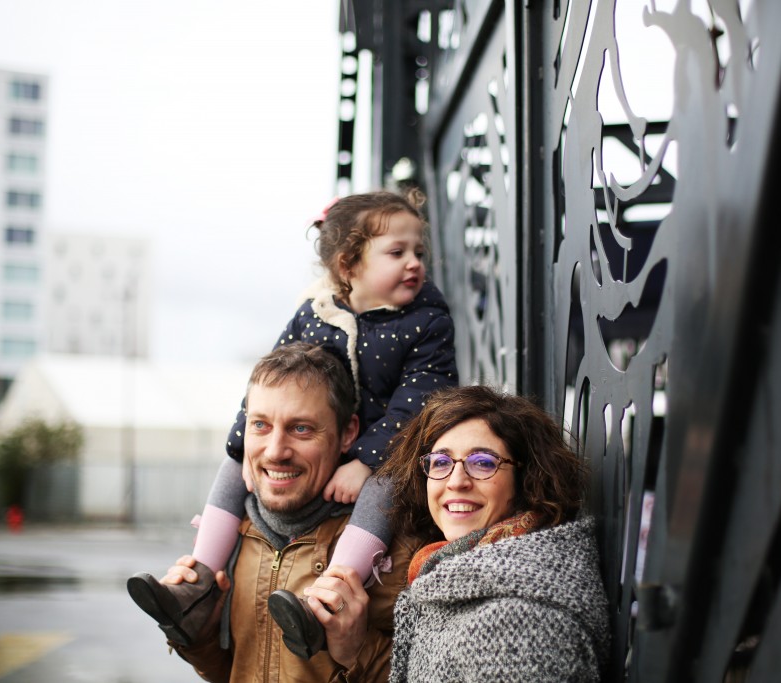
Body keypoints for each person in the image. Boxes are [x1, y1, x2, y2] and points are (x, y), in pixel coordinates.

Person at [128, 189, 458, 659]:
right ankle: (198, 579)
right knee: (231, 463)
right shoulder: (315, 311)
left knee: (385, 487)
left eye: (418, 253)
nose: (414, 264)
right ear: (349, 265)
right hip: (325, 439)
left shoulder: (426, 324)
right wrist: (246, 443)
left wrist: (364, 460)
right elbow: (268, 381)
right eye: (397, 252)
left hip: (386, 450)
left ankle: (329, 594)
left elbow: (421, 403)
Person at [145, 343, 420, 681]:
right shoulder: (233, 539)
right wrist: (201, 634)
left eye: (301, 428)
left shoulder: (398, 555)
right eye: (260, 425)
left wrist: (357, 647)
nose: (276, 451)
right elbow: (230, 672)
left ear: (348, 433)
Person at [375, 384, 611, 682]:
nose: (456, 481)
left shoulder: (517, 625)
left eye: (483, 463)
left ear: (525, 478)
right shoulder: (455, 573)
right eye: (441, 462)